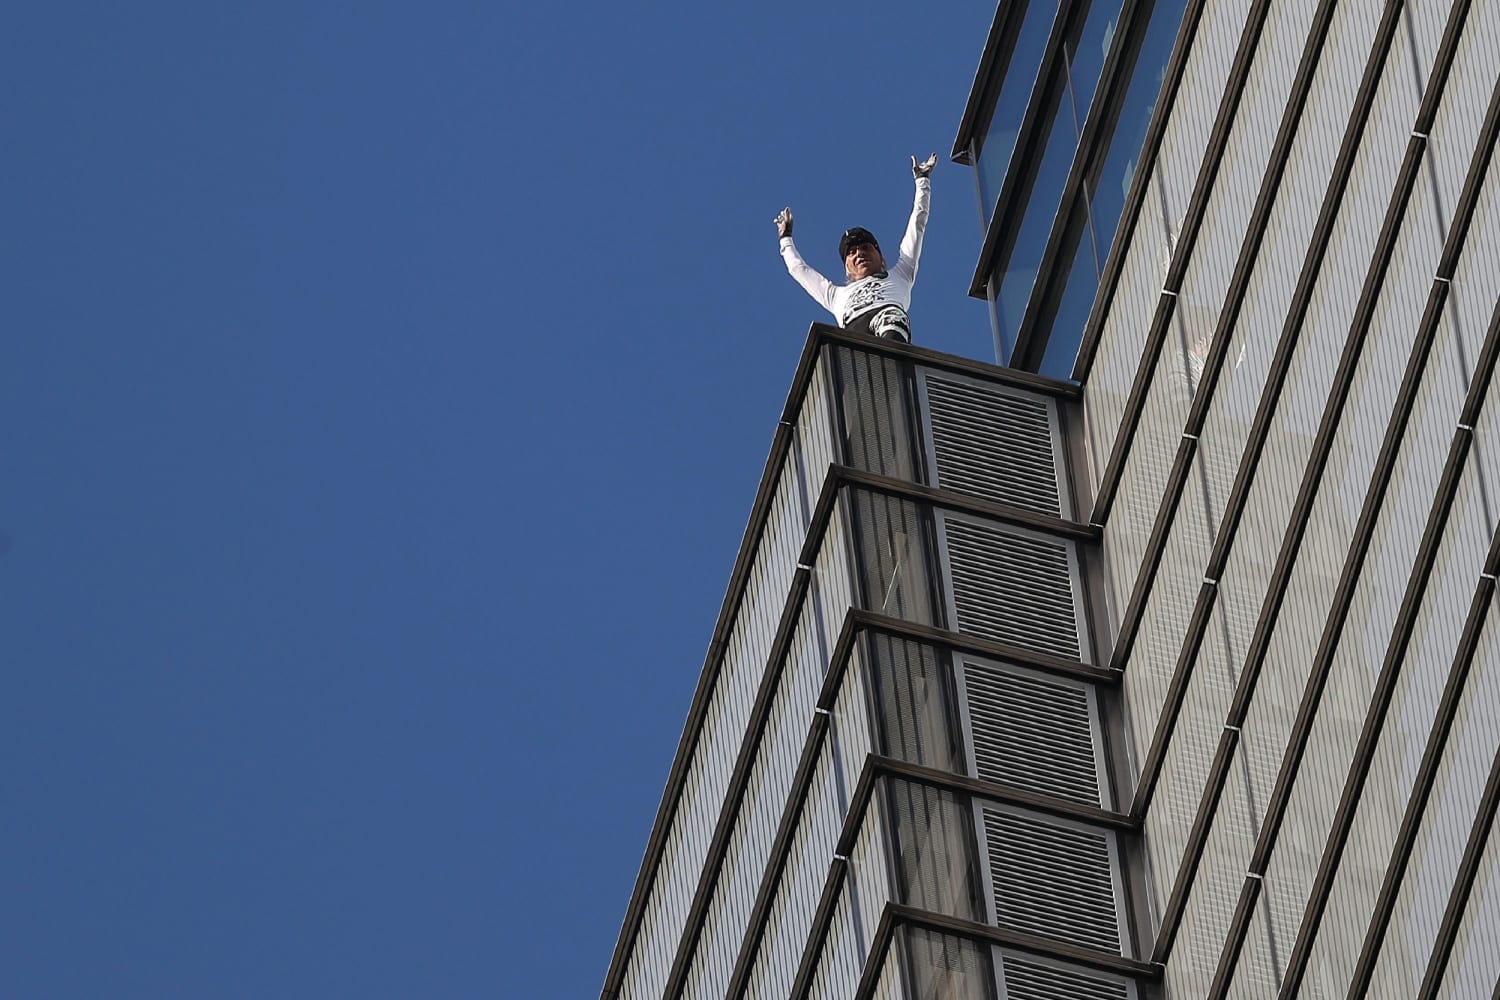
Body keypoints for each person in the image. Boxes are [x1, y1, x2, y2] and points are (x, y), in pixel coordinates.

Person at [775, 154, 936, 343]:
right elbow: (798, 270)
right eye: (851, 252)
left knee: (893, 316)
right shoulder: (835, 296)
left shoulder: (902, 273)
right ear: (846, 267)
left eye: (866, 248)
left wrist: (922, 181)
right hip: (854, 335)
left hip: (888, 321)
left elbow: (917, 225)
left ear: (880, 256)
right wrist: (785, 239)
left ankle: (894, 360)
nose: (860, 253)